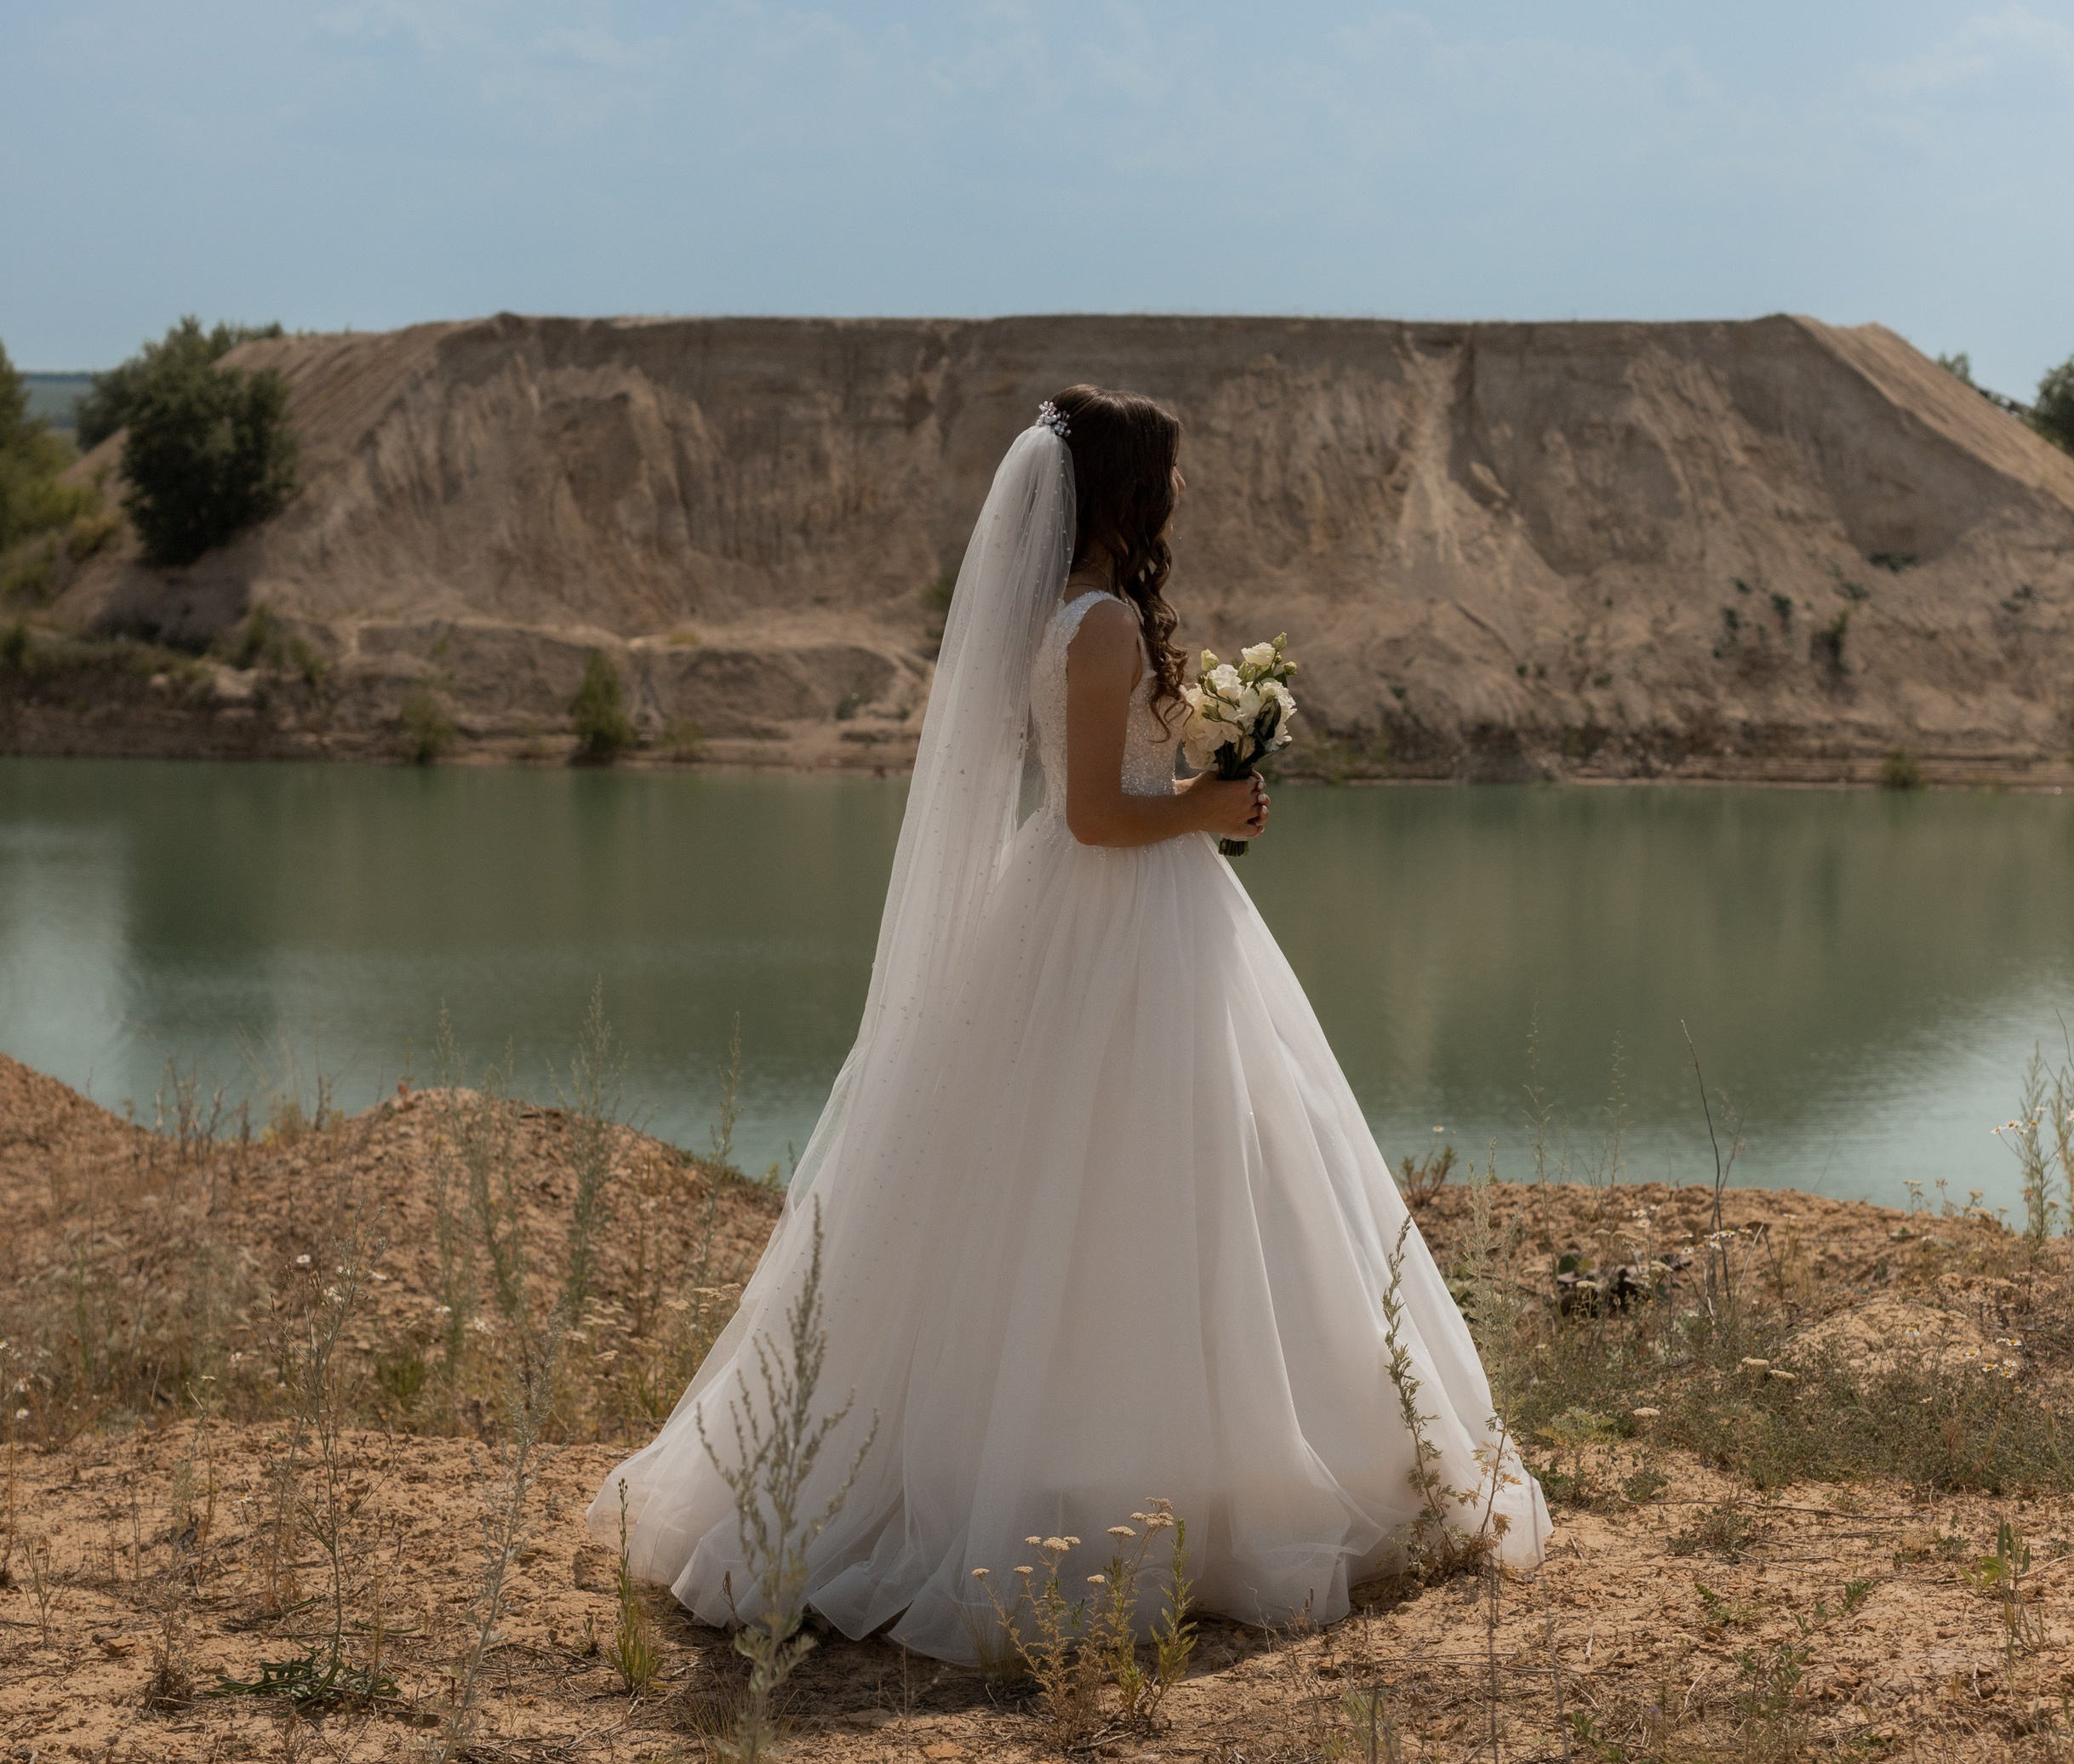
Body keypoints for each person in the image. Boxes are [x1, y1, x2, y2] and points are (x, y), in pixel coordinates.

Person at [590, 385, 1547, 1660]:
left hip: (1116, 916)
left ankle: (1122, 1461)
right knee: (1142, 1177)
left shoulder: (1071, 617)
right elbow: (1099, 815)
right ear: (1126, 491)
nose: (1187, 492)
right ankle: (1159, 1483)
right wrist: (1206, 807)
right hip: (1120, 911)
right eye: (1173, 472)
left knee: (1146, 1173)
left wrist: (1205, 775)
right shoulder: (1095, 628)